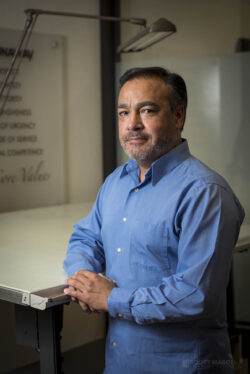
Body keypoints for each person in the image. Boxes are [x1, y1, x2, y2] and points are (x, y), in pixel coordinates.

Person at [63, 67, 245, 374]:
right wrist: (84, 278)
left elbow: (194, 294)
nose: (132, 124)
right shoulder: (116, 182)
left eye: (147, 110)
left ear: (178, 116)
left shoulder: (205, 193)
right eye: (123, 113)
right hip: (120, 362)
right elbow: (86, 237)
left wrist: (111, 298)